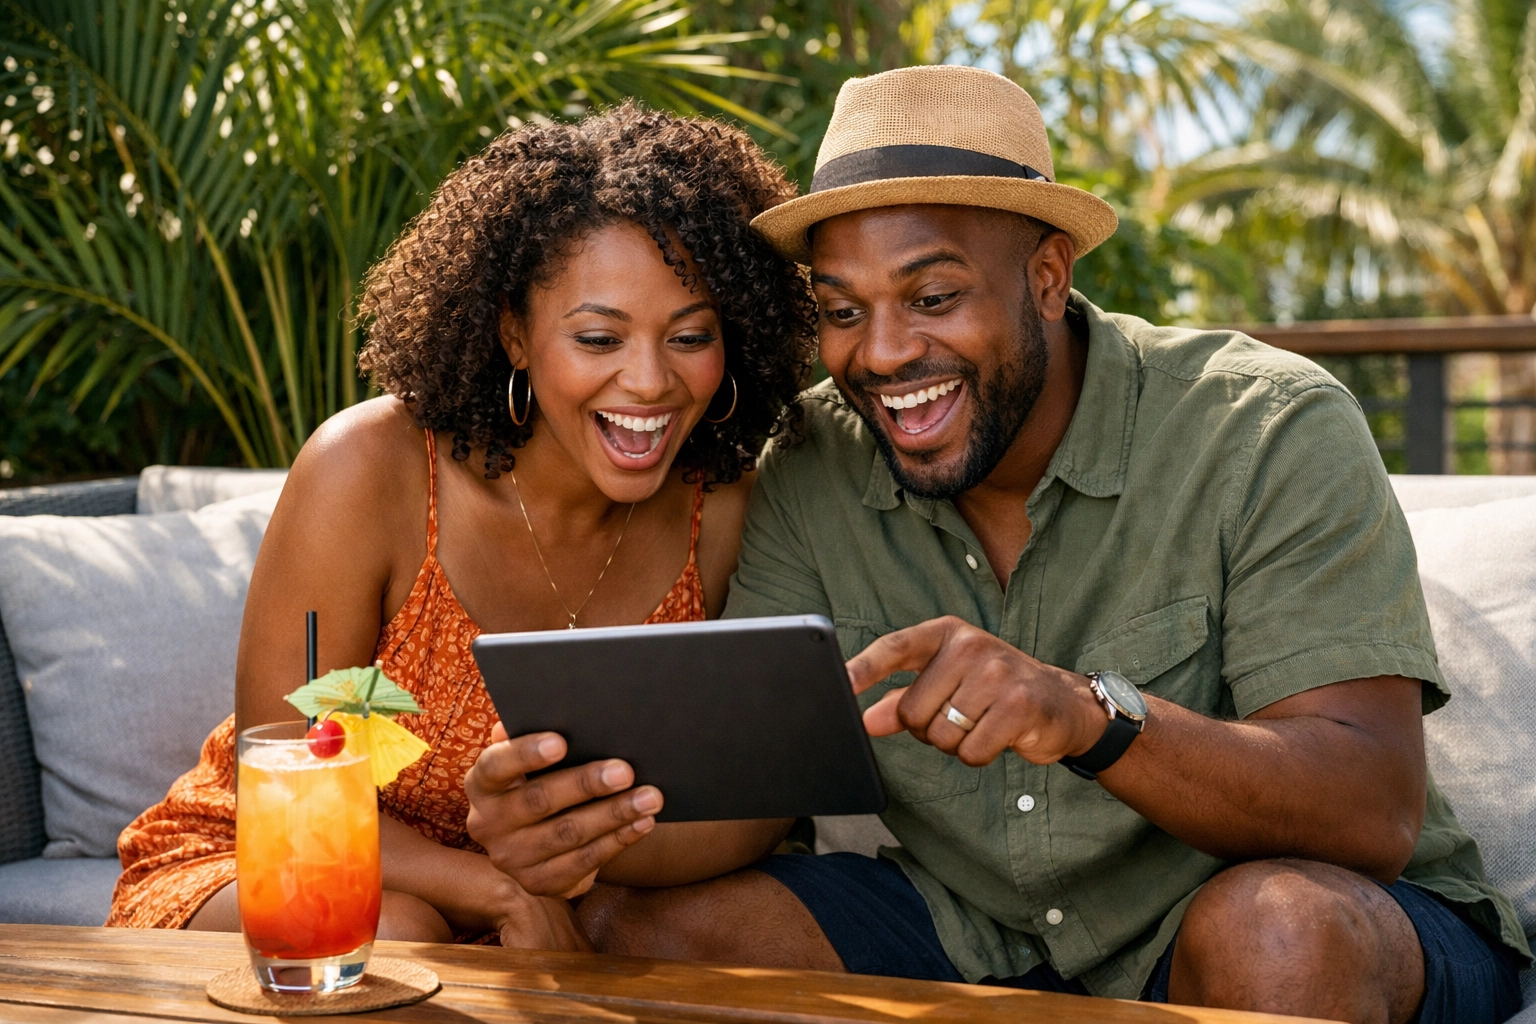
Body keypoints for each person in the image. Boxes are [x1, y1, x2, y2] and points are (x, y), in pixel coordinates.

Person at [465, 67, 1530, 1022]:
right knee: (618, 928)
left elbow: (1371, 808)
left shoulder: (1265, 427)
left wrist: (1092, 717)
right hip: (963, 928)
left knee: (1279, 933)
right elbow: (748, 807)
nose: (883, 355)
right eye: (842, 309)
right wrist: (576, 831)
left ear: (1048, 277)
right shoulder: (811, 461)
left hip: (1282, 920)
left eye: (933, 297)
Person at [106, 103, 815, 945]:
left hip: (570, 897)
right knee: (400, 937)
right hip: (282, 859)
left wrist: (555, 886)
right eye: (598, 338)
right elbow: (283, 777)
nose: (650, 381)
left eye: (690, 335)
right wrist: (501, 893)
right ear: (515, 333)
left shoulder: (722, 507)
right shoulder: (369, 472)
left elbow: (750, 781)